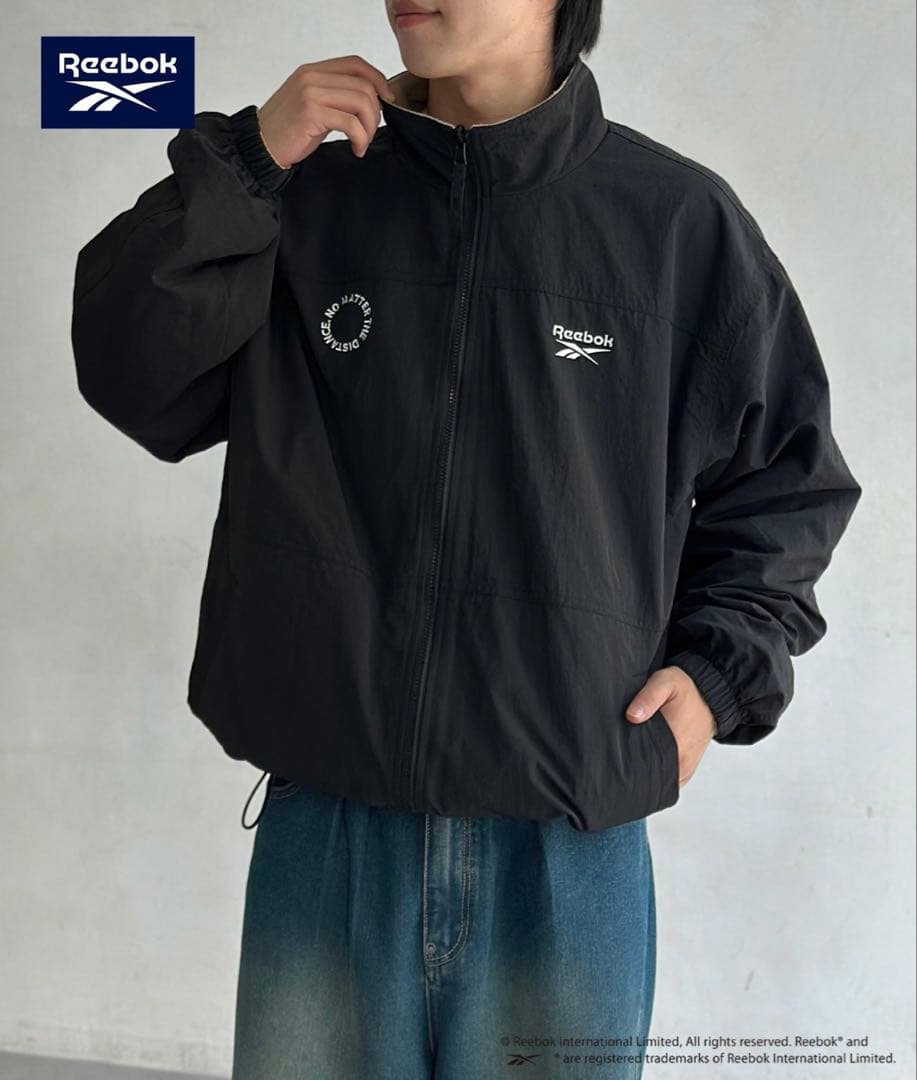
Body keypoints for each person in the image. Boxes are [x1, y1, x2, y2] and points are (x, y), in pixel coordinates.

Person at [70, 1, 862, 1077]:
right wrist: (246, 164)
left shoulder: (676, 226)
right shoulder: (306, 194)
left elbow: (786, 484)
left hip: (564, 853)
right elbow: (132, 373)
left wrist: (716, 673)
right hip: (330, 830)